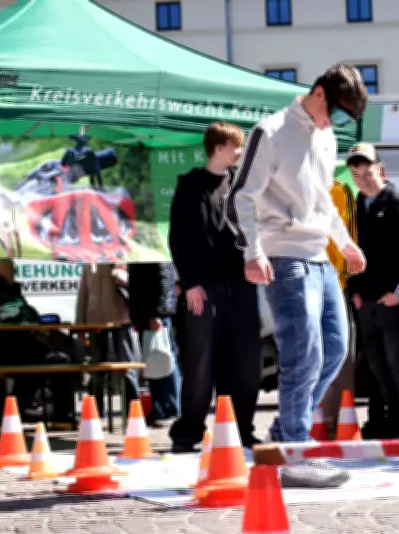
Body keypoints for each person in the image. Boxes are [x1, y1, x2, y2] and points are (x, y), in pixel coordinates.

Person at [230, 63, 368, 488]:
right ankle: (295, 451)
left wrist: (345, 243)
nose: (336, 123)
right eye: (338, 113)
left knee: (336, 350)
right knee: (303, 354)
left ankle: (284, 434)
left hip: (319, 257)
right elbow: (240, 197)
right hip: (285, 256)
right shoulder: (269, 132)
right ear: (319, 93)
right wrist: (253, 252)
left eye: (346, 119)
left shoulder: (326, 137)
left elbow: (323, 200)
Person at [167, 122, 262, 452]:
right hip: (204, 288)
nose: (240, 152)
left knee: (245, 362)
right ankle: (188, 433)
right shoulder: (191, 185)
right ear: (219, 148)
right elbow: (178, 239)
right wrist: (190, 283)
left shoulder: (242, 184)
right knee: (200, 361)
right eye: (236, 146)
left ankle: (241, 430)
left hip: (242, 286)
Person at [347, 143, 399, 439]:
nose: (363, 179)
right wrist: (355, 291)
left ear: (381, 171)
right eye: (356, 174)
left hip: (393, 301)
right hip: (367, 301)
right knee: (377, 365)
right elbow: (353, 250)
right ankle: (391, 418)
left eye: (368, 172)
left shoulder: (397, 203)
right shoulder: (358, 204)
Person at [0, 258, 77, 428]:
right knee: (50, 363)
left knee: (56, 361)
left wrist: (33, 322)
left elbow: (19, 313)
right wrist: (30, 322)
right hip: (4, 350)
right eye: (10, 268)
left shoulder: (9, 289)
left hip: (17, 348)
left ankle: (11, 416)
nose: (14, 271)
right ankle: (58, 417)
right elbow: (6, 315)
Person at [76, 262, 141, 418]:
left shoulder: (120, 256)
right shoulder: (88, 262)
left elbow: (133, 284)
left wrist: (117, 272)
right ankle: (95, 411)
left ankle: (134, 410)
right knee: (96, 367)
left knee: (127, 365)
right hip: (95, 321)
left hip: (121, 320)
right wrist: (80, 324)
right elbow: (83, 293)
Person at [321, 175, 359, 436]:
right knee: (309, 355)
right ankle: (315, 420)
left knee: (340, 354)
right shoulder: (292, 183)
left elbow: (349, 236)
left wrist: (345, 282)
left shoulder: (339, 189)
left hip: (336, 285)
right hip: (303, 282)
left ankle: (339, 421)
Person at [128, 262, 181, 427]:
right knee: (153, 360)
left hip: (155, 314)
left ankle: (171, 408)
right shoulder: (143, 253)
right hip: (147, 313)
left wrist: (156, 314)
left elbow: (162, 280)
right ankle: (159, 407)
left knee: (164, 358)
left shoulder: (154, 253)